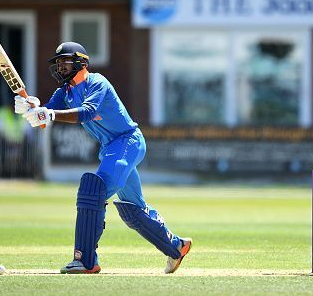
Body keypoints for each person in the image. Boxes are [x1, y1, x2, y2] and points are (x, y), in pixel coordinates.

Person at [15, 42, 192, 274]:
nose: (61, 67)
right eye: (59, 63)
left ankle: (86, 260)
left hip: (128, 141)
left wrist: (48, 113)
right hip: (111, 148)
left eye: (65, 62)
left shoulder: (97, 83)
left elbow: (86, 112)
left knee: (93, 191)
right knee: (132, 210)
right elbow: (43, 119)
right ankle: (177, 247)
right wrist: (32, 106)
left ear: (82, 63)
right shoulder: (64, 92)